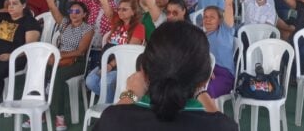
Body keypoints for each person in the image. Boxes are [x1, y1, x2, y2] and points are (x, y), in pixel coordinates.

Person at [93, 21, 238, 131]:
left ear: (143, 70)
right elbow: (220, 121)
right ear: (205, 78)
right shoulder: (223, 126)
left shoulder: (113, 120)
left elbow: (114, 117)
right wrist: (202, 92)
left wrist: (129, 95)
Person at [22, 0, 95, 130]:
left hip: (76, 62)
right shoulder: (65, 24)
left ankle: (59, 117)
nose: (73, 14)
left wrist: (57, 55)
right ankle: (39, 112)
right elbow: (52, 6)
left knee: (57, 76)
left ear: (84, 14)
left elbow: (80, 52)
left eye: (77, 12)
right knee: (39, 73)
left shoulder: (87, 29)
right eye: (71, 11)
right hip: (58, 59)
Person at [85, 0, 145, 104]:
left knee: (107, 82)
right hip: (107, 61)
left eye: (124, 9)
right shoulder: (117, 23)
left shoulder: (139, 28)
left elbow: (127, 53)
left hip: (123, 66)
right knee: (90, 81)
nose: (120, 12)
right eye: (119, 9)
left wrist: (111, 65)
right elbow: (105, 3)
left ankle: (108, 110)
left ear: (133, 12)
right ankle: (114, 102)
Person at [203, 0, 235, 99]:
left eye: (212, 17)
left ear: (220, 20)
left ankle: (210, 117)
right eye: (205, 17)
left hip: (224, 75)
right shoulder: (201, 36)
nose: (207, 20)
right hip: (205, 73)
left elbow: (228, 5)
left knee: (204, 93)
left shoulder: (225, 31)